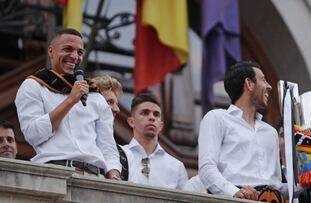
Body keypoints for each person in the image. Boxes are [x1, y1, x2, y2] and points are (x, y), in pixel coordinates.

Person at [15, 28, 121, 179]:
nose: (74, 56)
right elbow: (33, 134)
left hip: (94, 177)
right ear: (51, 51)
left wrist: (114, 176)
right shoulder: (34, 86)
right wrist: (70, 101)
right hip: (55, 174)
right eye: (68, 49)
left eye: (79, 52)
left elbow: (107, 146)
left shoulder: (95, 96)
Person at [198, 61, 282, 201]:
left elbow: (277, 184)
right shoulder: (217, 118)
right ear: (249, 83)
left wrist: (308, 181)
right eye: (263, 80)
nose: (269, 86)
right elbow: (207, 169)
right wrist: (234, 192)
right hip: (233, 199)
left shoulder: (271, 132)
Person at [122, 92, 188, 189]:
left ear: (160, 126)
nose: (152, 117)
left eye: (156, 114)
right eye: (145, 113)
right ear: (131, 122)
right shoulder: (120, 156)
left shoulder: (177, 167)